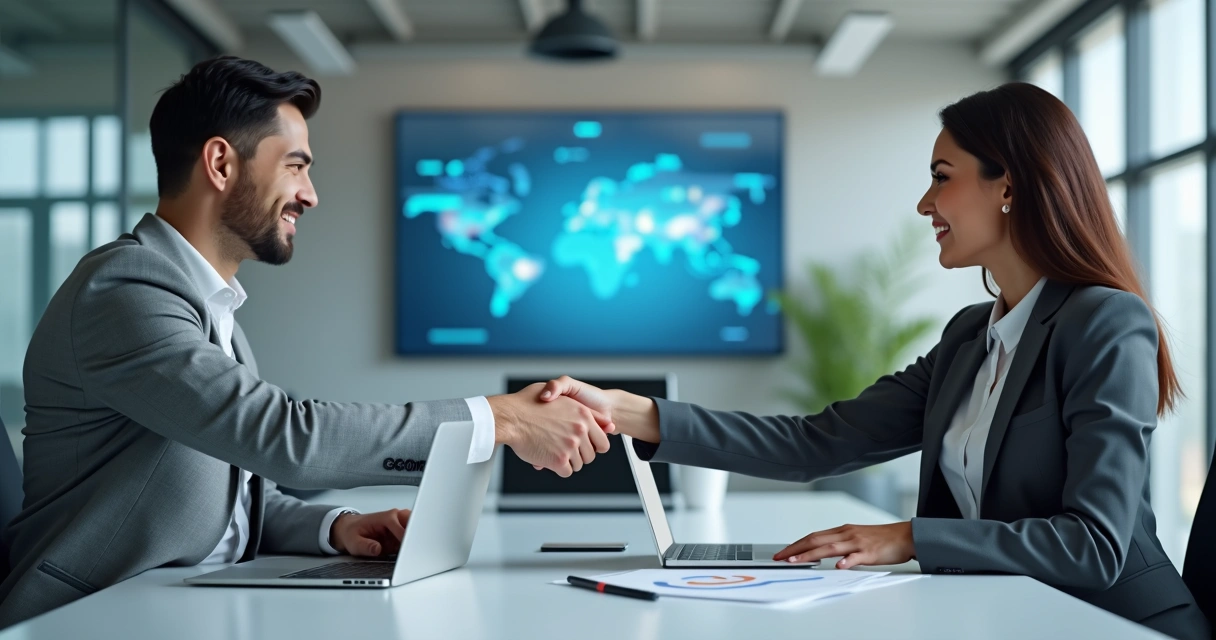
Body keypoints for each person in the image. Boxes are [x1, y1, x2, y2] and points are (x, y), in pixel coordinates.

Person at [539, 82, 1210, 640]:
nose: (924, 204)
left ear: (1008, 184)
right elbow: (816, 443)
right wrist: (628, 412)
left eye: (941, 178)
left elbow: (1094, 545)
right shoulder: (970, 337)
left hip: (1121, 626)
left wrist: (911, 538)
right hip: (1017, 618)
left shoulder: (1104, 322)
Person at [0, 56, 612, 628]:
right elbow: (284, 437)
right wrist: (499, 419)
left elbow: (232, 496)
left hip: (182, 605)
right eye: (295, 166)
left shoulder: (211, 309)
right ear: (221, 164)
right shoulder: (126, 290)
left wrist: (337, 528)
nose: (310, 194)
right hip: (85, 616)